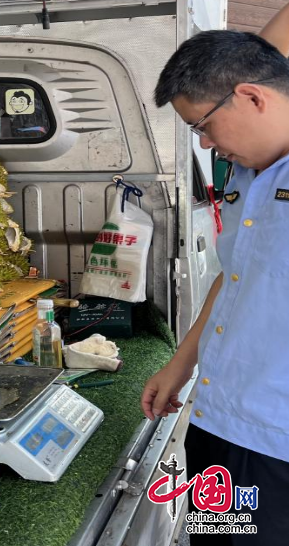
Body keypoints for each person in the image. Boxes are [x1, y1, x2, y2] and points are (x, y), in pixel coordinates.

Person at [141, 6, 289, 546]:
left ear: (252, 97)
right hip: (217, 422)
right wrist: (182, 362)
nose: (204, 145)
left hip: (276, 444)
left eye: (202, 126)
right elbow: (236, 277)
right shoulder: (254, 172)